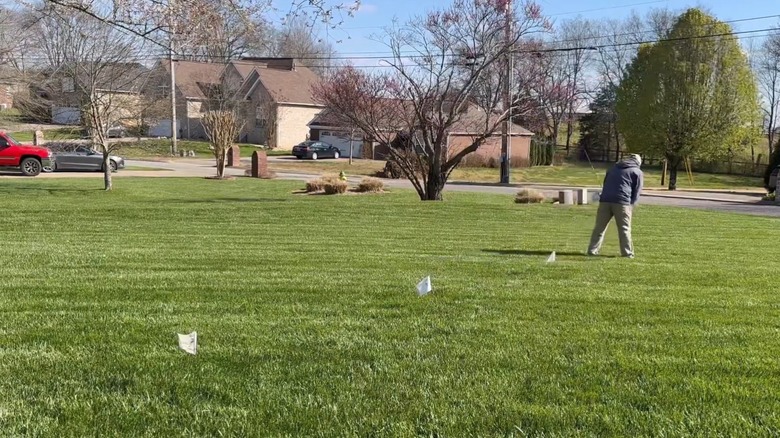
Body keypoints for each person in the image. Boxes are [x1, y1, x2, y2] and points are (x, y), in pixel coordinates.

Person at [587, 153, 644, 258]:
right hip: (622, 202)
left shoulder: (612, 168)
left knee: (599, 227)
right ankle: (627, 253)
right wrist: (632, 204)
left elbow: (605, 183)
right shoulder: (637, 171)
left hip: (605, 200)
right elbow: (637, 190)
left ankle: (592, 250)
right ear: (638, 162)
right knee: (624, 229)